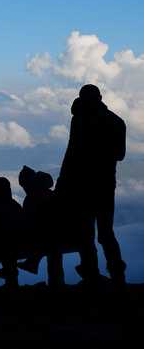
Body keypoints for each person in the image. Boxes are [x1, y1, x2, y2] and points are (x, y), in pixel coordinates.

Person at [55, 84, 127, 285]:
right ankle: (113, 276)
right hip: (101, 185)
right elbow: (119, 154)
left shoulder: (79, 119)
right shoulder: (114, 122)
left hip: (84, 185)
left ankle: (93, 275)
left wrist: (63, 180)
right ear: (100, 97)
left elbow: (71, 153)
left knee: (88, 233)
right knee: (101, 233)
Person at [16, 166, 65, 286]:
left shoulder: (33, 198)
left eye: (24, 185)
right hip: (59, 234)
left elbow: (29, 221)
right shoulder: (48, 193)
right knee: (52, 249)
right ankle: (54, 282)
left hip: (50, 237)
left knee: (48, 245)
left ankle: (32, 263)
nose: (24, 188)